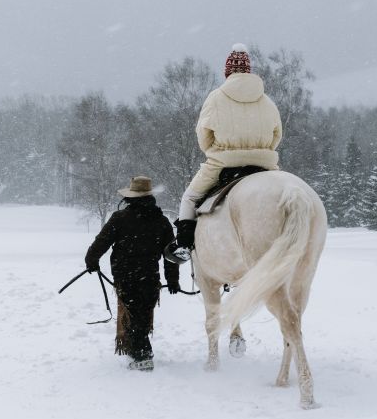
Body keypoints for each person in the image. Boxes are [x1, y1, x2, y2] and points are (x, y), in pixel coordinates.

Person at [175, 44, 282, 249]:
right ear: (249, 71)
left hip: (222, 163)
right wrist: (260, 151)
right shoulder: (267, 101)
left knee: (189, 198)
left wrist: (216, 150)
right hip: (265, 163)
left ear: (227, 72)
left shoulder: (216, 97)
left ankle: (184, 246)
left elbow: (203, 136)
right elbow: (277, 135)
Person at [84, 176, 179, 371]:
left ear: (130, 198)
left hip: (125, 277)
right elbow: (171, 255)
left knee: (133, 315)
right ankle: (140, 351)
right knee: (143, 314)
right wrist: (172, 279)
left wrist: (91, 261)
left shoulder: (120, 219)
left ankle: (142, 355)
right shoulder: (162, 222)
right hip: (150, 277)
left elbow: (100, 243)